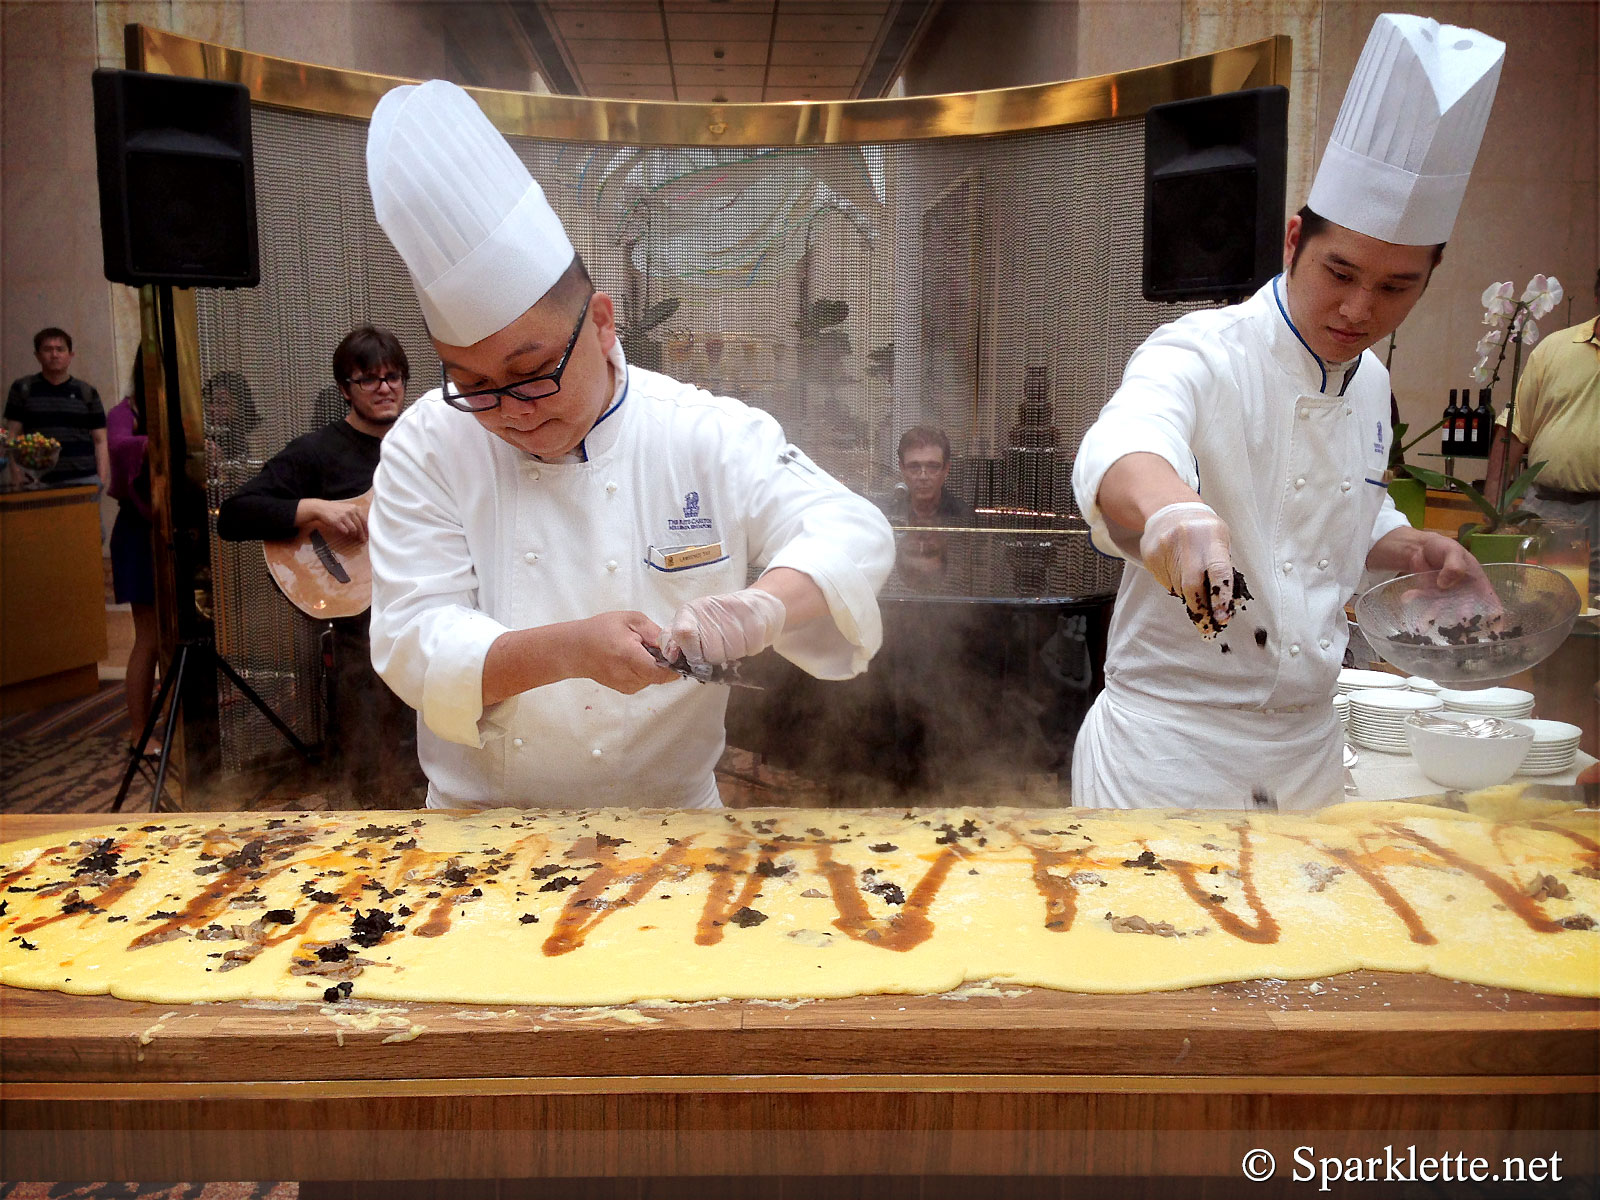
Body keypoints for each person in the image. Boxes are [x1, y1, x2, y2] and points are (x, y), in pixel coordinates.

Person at [364, 79, 895, 811]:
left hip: (673, 821)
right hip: (481, 829)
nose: (509, 411)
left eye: (530, 373)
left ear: (604, 323)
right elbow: (412, 639)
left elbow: (853, 532)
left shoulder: (699, 430)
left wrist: (761, 608)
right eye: (473, 384)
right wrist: (569, 650)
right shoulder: (429, 441)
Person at [1070, 14, 1503, 810]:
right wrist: (1174, 515)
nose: (1358, 308)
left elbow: (1336, 517)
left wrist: (1407, 548)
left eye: (1396, 286)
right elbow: (1127, 444)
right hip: (1168, 756)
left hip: (1307, 756)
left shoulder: (1369, 381)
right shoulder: (1201, 348)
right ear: (1294, 239)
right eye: (1339, 271)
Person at [216, 326, 424, 806]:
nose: (385, 387)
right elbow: (235, 515)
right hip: (362, 619)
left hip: (425, 606)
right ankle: (373, 806)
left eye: (394, 376)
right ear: (344, 390)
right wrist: (315, 509)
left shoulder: (423, 446)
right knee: (370, 721)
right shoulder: (317, 452)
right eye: (368, 379)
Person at [1485, 267, 1600, 587]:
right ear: (1596, 296)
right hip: (1546, 510)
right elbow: (1514, 429)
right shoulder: (1554, 348)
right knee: (1537, 603)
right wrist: (1494, 511)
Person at [106, 350, 160, 756]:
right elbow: (121, 445)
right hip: (140, 533)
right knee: (150, 636)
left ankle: (183, 731)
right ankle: (139, 731)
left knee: (178, 640)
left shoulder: (179, 406)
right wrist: (164, 442)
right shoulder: (125, 411)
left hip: (176, 531)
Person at [5, 327, 108, 488]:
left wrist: (101, 479)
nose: (54, 355)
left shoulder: (87, 392)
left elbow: (100, 440)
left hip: (83, 480)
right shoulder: (23, 388)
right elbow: (12, 436)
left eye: (60, 349)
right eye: (47, 350)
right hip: (38, 482)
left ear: (70, 355)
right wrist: (17, 475)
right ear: (37, 356)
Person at [878, 426, 972, 525]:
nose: (923, 477)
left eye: (933, 467)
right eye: (914, 467)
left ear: (946, 469)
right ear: (902, 468)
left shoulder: (964, 516)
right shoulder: (884, 514)